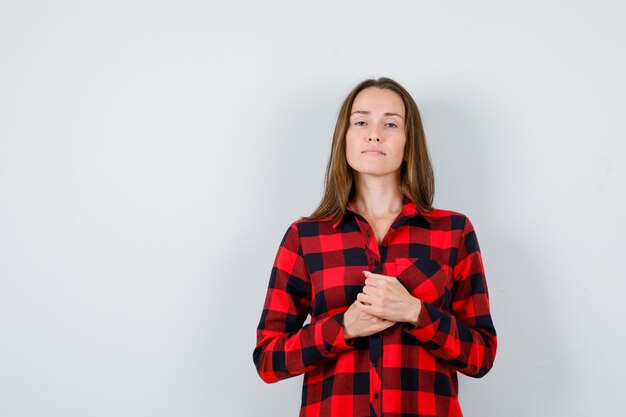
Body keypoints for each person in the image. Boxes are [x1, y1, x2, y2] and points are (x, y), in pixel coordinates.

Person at [253, 77, 497, 417]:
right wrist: (344, 327)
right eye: (362, 121)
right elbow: (268, 360)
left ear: (409, 141)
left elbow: (481, 356)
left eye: (391, 123)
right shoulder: (304, 236)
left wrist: (415, 312)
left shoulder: (453, 232)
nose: (374, 133)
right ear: (345, 137)